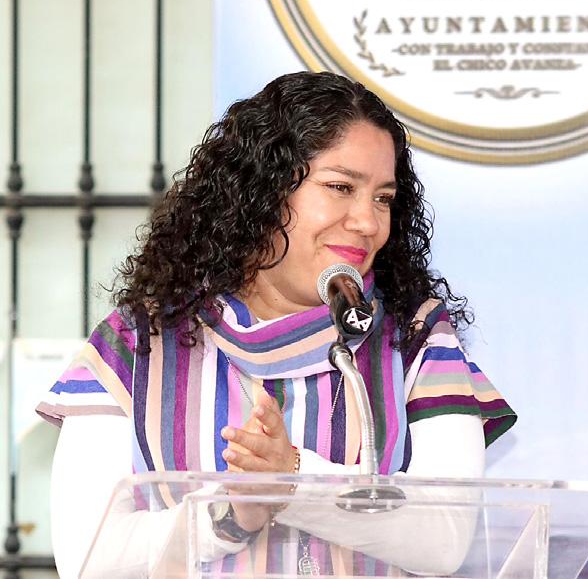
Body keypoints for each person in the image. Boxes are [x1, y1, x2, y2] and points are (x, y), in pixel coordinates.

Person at [37, 71, 516, 578]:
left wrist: (295, 480)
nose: (369, 222)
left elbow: (444, 539)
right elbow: (89, 559)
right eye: (340, 187)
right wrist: (230, 515)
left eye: (382, 197)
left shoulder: (416, 338)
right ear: (261, 191)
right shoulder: (139, 342)